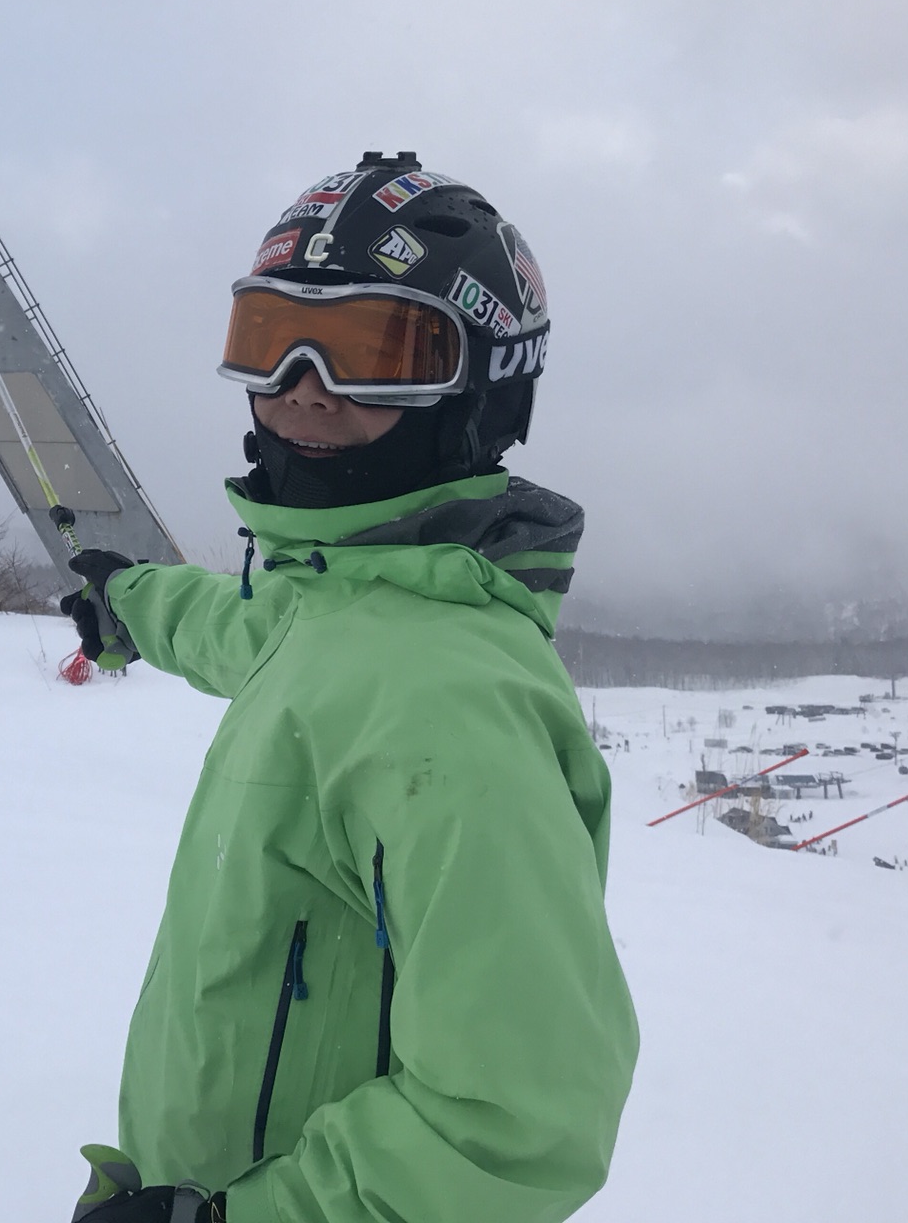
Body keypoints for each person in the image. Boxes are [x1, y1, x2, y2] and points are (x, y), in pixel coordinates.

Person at [61, 153, 638, 1223]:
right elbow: (245, 630)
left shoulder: (451, 702)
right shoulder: (332, 602)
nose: (306, 392)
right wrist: (132, 603)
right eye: (274, 345)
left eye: (376, 351)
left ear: (480, 385)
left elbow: (519, 1118)